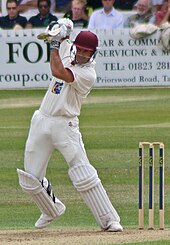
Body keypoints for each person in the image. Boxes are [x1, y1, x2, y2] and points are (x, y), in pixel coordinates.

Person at [17, 18, 123, 232]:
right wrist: (62, 27)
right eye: (80, 50)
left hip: (66, 125)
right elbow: (62, 26)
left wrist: (54, 44)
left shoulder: (88, 74)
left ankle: (110, 220)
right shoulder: (68, 50)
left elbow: (58, 72)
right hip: (42, 119)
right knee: (29, 179)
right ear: (75, 47)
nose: (83, 55)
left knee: (83, 173)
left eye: (87, 52)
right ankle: (51, 209)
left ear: (94, 53)